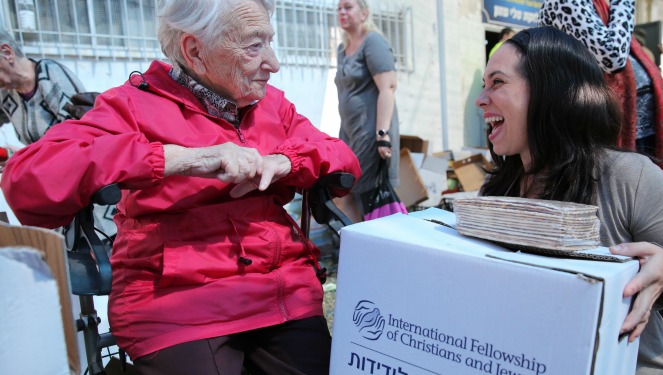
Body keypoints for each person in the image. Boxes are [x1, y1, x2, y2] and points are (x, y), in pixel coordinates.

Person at [1, 0, 361, 374]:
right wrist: (175, 159)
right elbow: (25, 180)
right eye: (254, 46)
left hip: (278, 289)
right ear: (194, 50)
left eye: (270, 42)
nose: (273, 62)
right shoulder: (132, 106)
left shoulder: (271, 105)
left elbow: (343, 158)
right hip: (176, 300)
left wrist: (287, 162)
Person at [476, 26, 663, 374]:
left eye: (497, 82)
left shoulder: (628, 177)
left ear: (553, 90)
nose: (481, 98)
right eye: (484, 84)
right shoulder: (498, 186)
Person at [539, 0, 663, 177]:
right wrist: (624, 4)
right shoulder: (567, 2)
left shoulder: (602, 6)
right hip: (591, 128)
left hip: (632, 130)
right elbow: (611, 56)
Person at [334, 0, 400, 222]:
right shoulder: (342, 49)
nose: (342, 12)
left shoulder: (372, 42)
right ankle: (359, 243)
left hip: (370, 132)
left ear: (364, 13)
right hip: (349, 132)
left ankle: (371, 245)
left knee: (364, 192)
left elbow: (388, 87)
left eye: (348, 7)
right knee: (344, 190)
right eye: (339, 8)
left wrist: (382, 134)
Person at [0, 29, 84, 170]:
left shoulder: (50, 74)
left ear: (7, 53)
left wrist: (25, 158)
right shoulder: (4, 92)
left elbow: (81, 136)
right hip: (46, 173)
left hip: (75, 172)